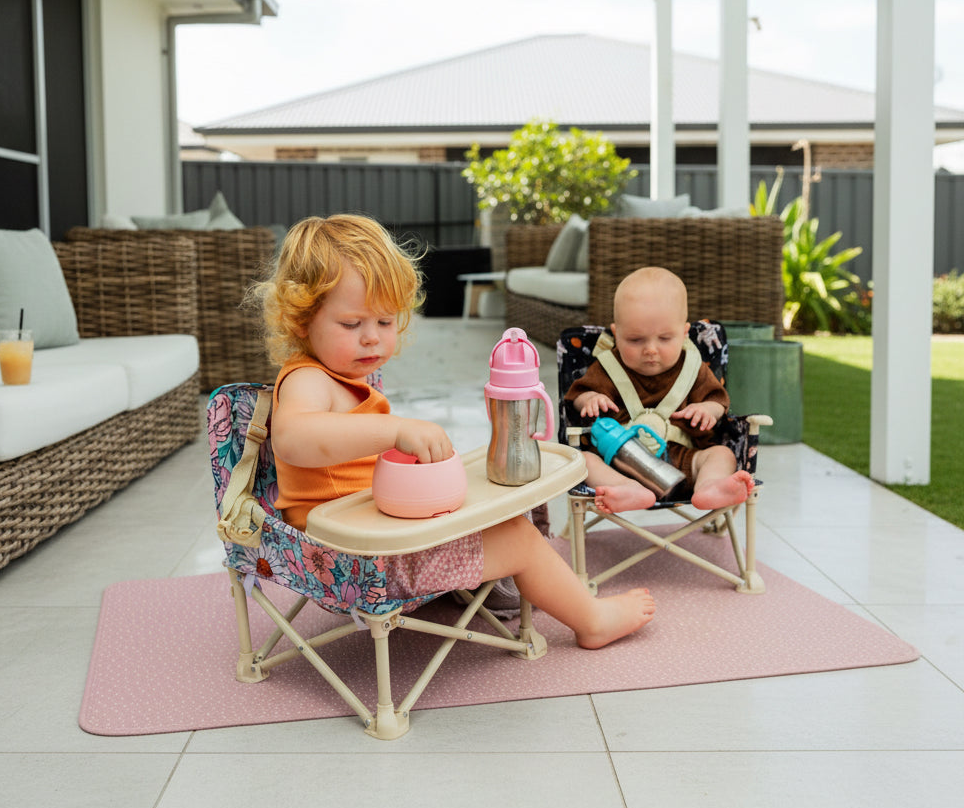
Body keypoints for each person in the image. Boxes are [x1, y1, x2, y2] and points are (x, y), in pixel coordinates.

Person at [253, 214, 655, 649]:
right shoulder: (307, 380)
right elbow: (293, 438)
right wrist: (393, 430)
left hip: (372, 538)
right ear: (300, 321)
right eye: (352, 325)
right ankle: (591, 619)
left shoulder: (347, 380)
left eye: (385, 322)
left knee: (496, 502)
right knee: (516, 538)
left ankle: (502, 581)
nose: (372, 339)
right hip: (353, 564)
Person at [567, 266, 755, 515]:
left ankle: (708, 487)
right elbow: (577, 395)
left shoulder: (693, 368)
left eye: (665, 338)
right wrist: (590, 399)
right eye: (635, 340)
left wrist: (706, 409)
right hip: (620, 462)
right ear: (616, 333)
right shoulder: (608, 367)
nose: (651, 350)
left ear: (684, 333)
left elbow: (717, 401)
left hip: (684, 460)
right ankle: (628, 490)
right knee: (584, 461)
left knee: (722, 454)